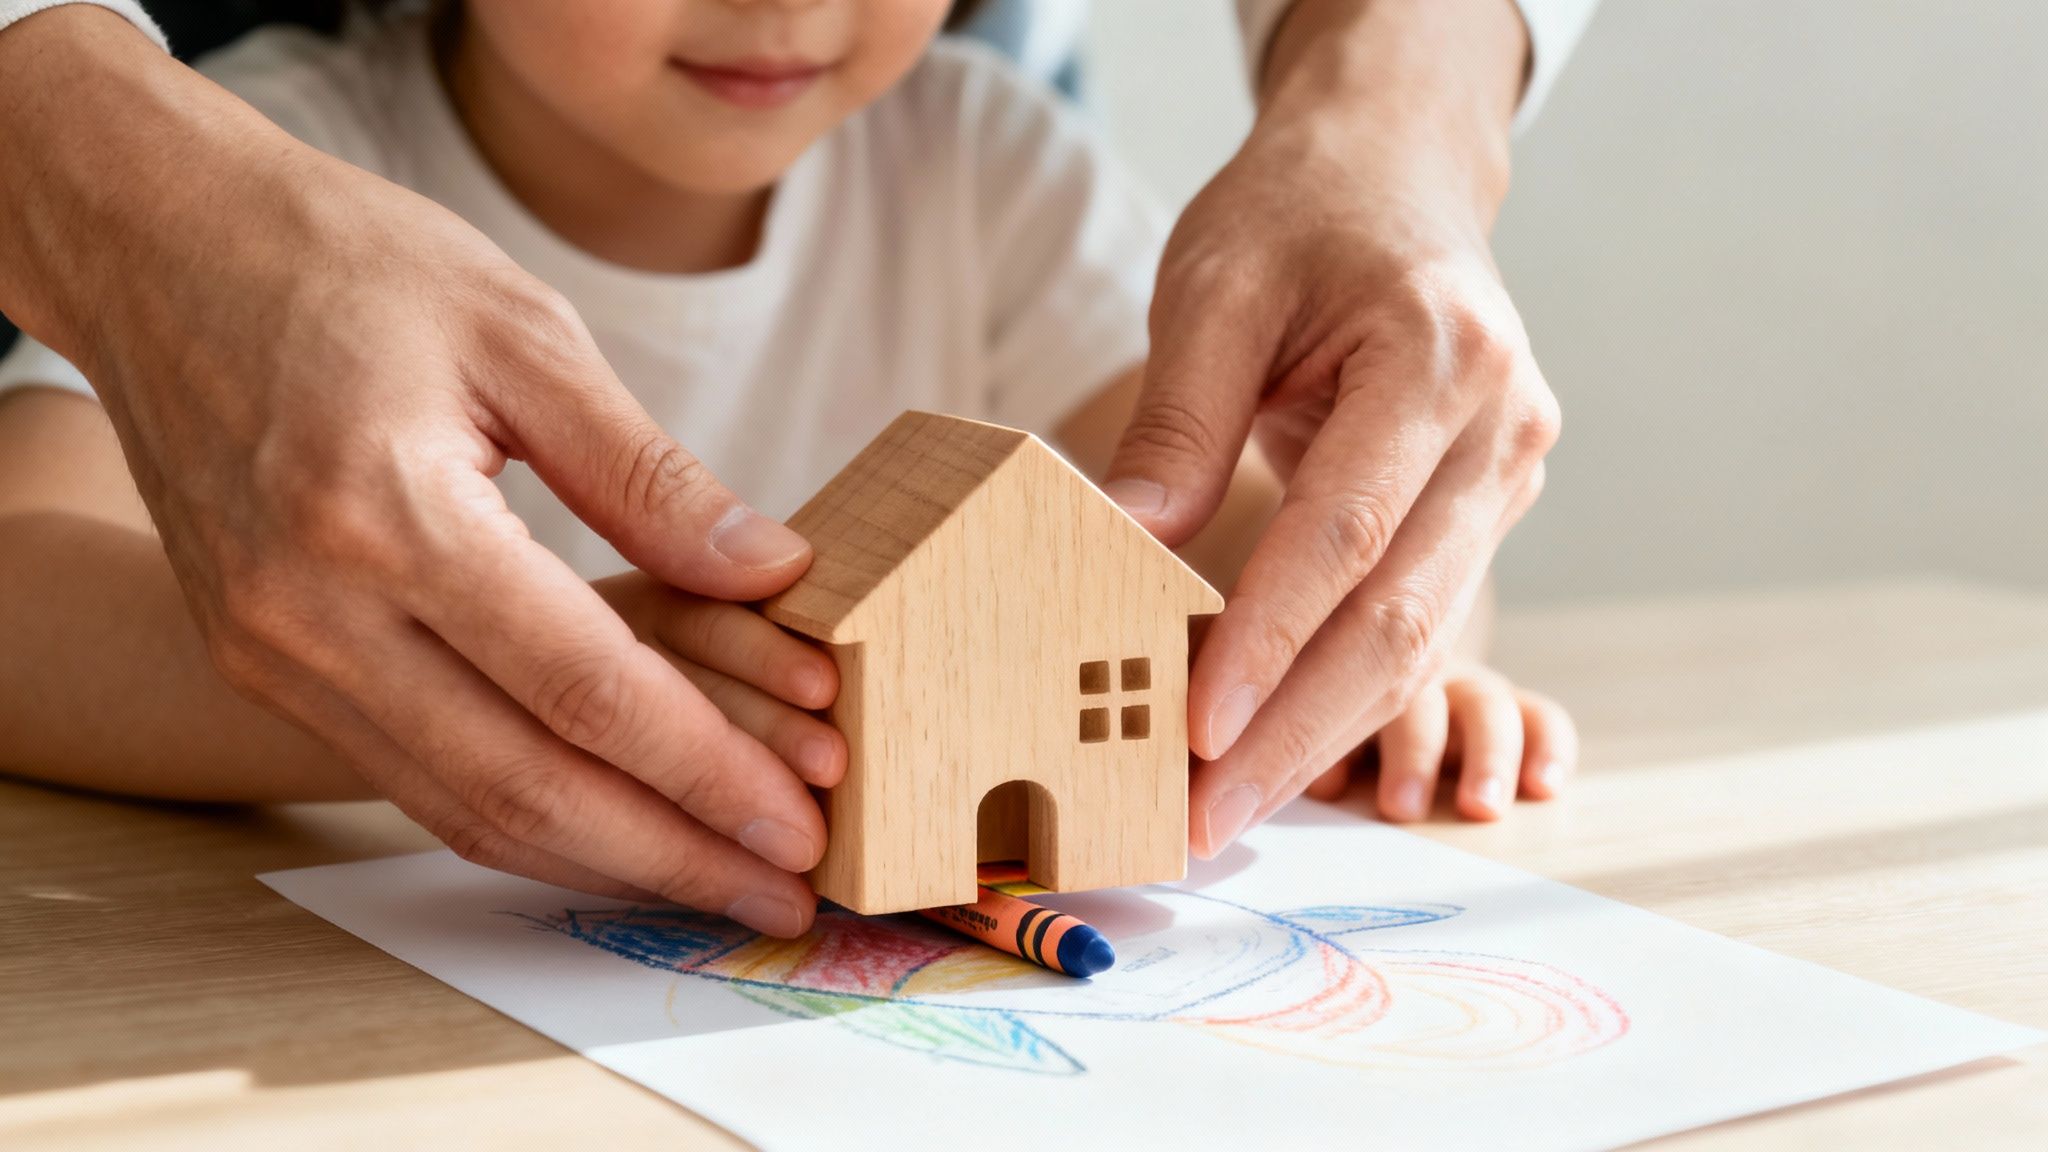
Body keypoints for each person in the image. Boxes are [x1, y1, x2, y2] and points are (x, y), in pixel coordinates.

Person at [0, 0, 1577, 934]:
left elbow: (1248, 531)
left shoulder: (983, 157)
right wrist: (512, 691)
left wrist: (1368, 658)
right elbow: (26, 596)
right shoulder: (266, 157)